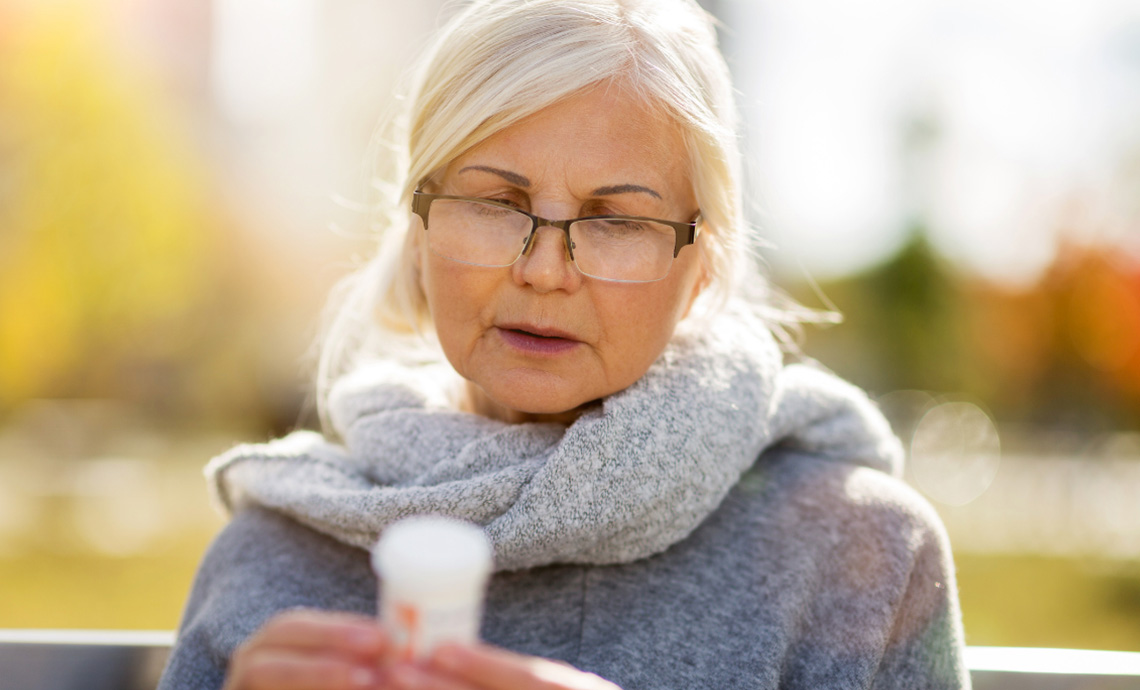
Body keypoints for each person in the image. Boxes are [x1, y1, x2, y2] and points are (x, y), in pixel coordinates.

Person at [159, 0, 971, 688]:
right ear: (417, 234)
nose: (545, 270)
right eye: (495, 203)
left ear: (700, 271)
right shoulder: (268, 560)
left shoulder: (860, 556)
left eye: (617, 219)